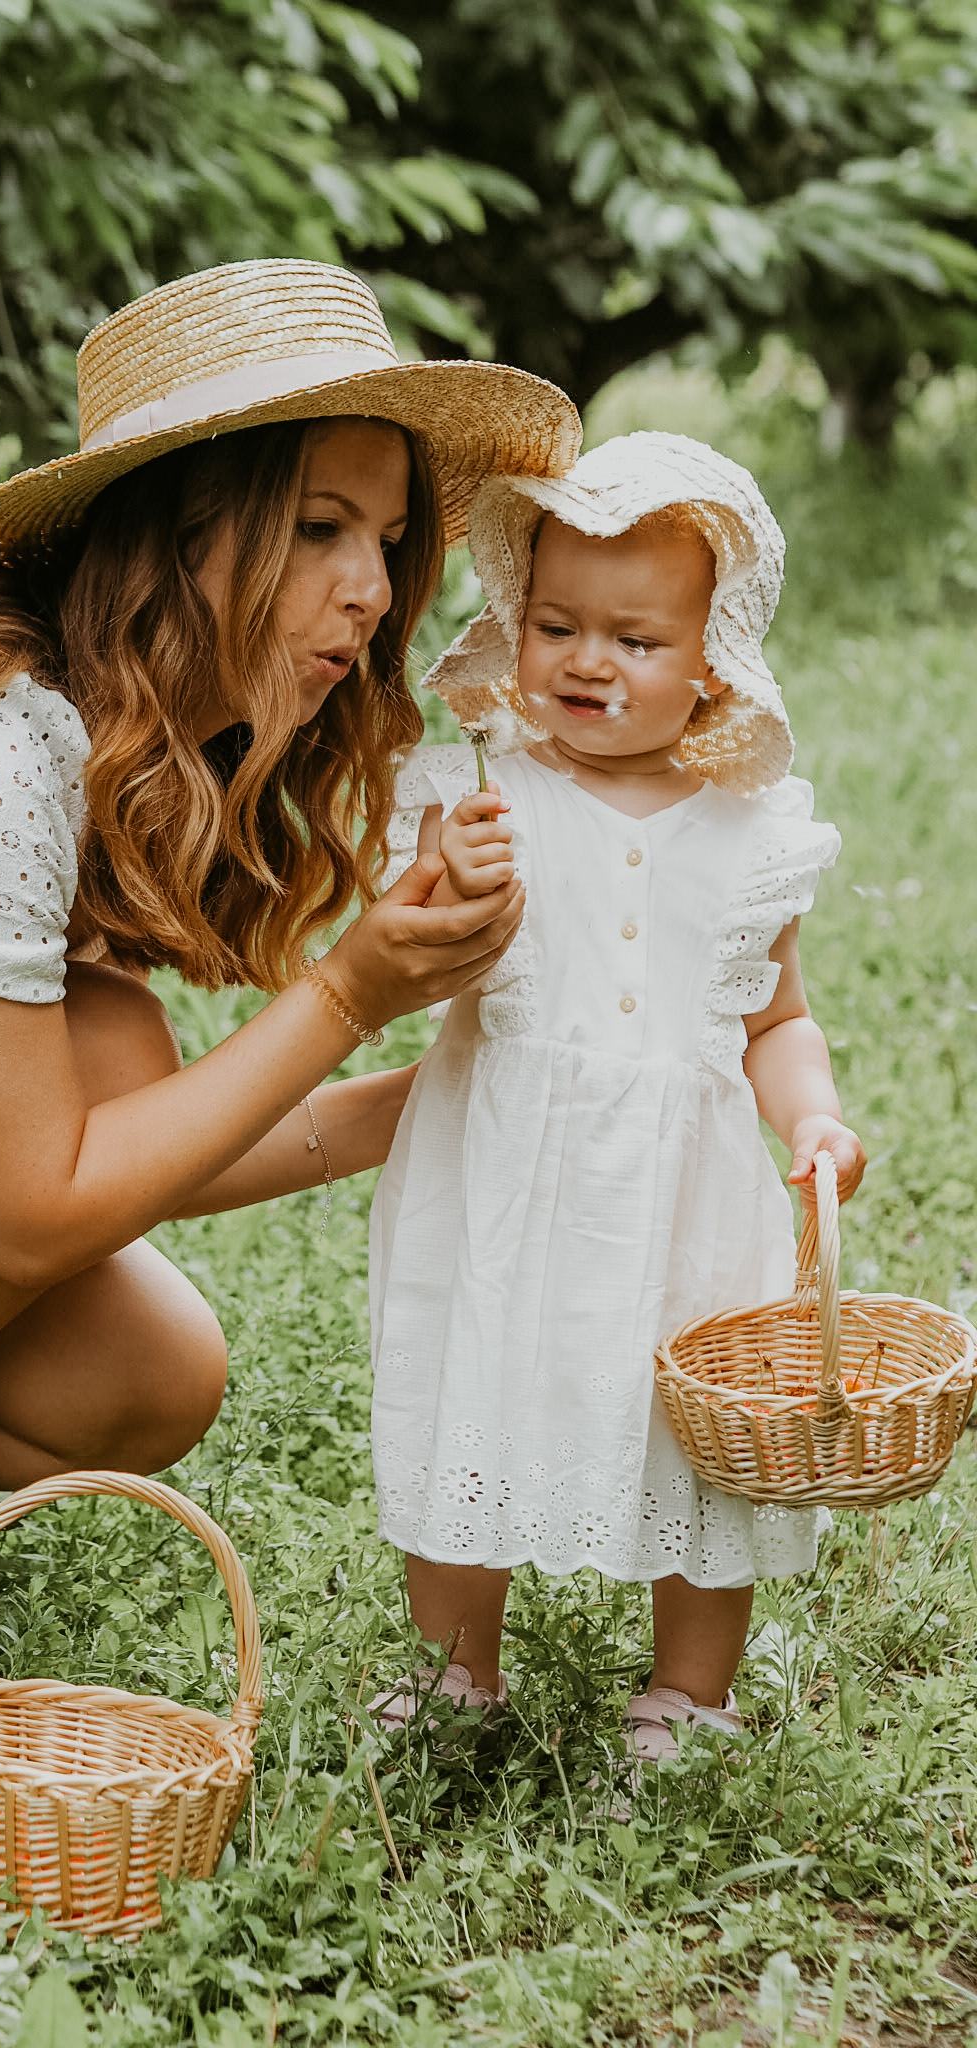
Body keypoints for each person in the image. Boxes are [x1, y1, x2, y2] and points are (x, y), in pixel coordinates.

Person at [0, 258, 579, 1718]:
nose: (373, 591)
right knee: (60, 1108)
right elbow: (29, 1201)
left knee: (148, 1374)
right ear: (175, 535)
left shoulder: (115, 729)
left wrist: (451, 1083)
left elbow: (139, 1145)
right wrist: (346, 995)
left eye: (388, 540)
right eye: (318, 528)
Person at [366, 432, 866, 1763]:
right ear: (515, 626)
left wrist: (812, 1118)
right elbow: (409, 962)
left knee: (701, 1440)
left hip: (686, 1204)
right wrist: (448, 880)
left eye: (637, 641)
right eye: (558, 626)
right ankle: (456, 1673)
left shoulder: (755, 836)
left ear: (714, 661)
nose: (589, 661)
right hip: (502, 1182)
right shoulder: (481, 798)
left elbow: (775, 1017)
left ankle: (691, 1692)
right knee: (475, 1398)